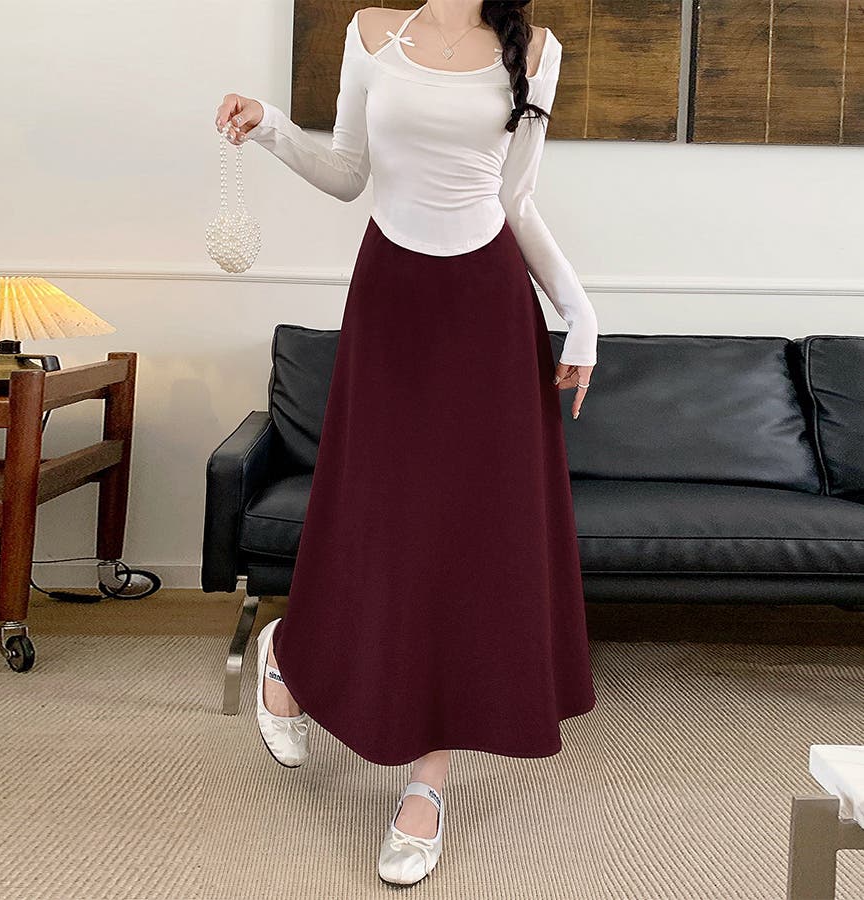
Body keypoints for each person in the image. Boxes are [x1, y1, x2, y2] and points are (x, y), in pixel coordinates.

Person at [214, 0, 599, 886]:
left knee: (464, 542)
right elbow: (348, 172)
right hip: (391, 296)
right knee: (378, 517)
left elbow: (515, 200)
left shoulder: (537, 50)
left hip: (488, 309)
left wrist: (579, 311)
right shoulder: (370, 33)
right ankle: (290, 655)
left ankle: (428, 784)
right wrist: (271, 126)